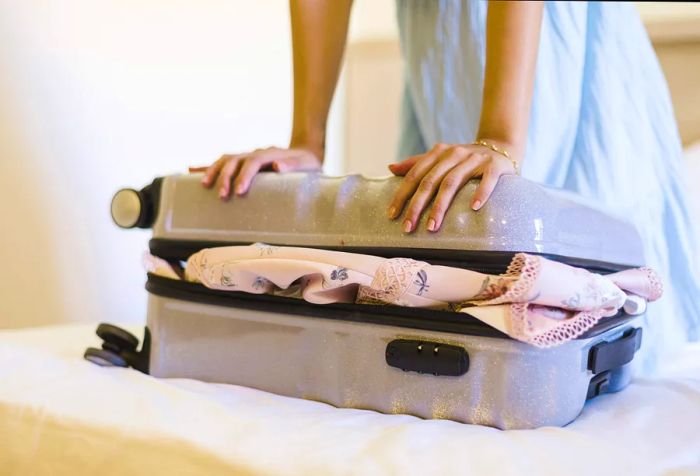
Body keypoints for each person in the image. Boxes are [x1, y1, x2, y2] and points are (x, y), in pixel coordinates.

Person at [190, 1, 700, 373]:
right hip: (441, 45)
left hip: (545, 38)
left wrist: (500, 136)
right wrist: (307, 142)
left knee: (597, 319)